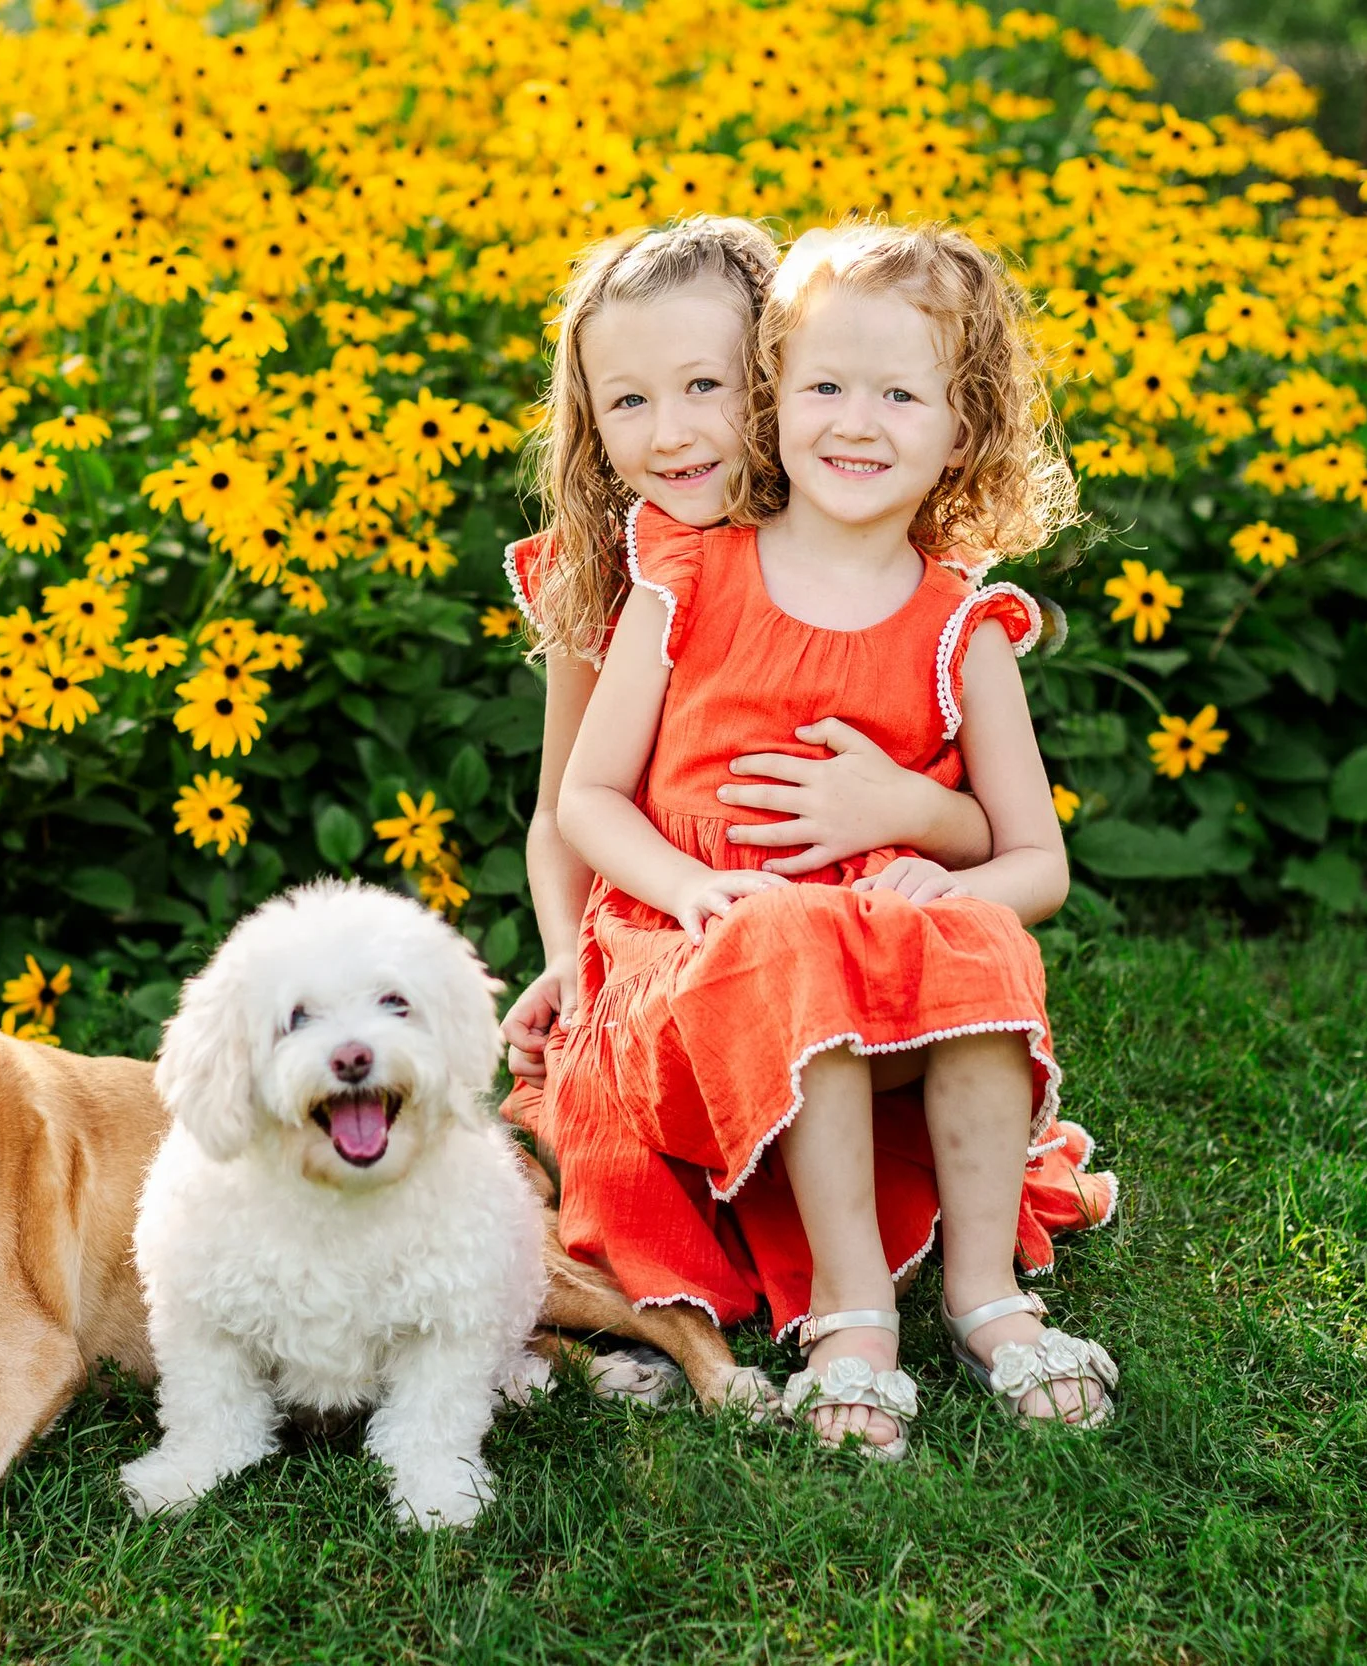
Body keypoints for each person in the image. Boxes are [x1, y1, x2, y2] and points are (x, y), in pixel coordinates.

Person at [547, 217, 1120, 1457]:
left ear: (960, 434)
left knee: (977, 943)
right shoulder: (683, 581)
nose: (855, 423)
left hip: (873, 941)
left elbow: (1036, 865)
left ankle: (987, 1300)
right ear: (777, 397)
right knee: (791, 937)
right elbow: (586, 800)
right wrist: (693, 887)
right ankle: (851, 1317)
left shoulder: (960, 625)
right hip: (702, 947)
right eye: (823, 388)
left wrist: (932, 849)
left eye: (899, 396)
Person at [500, 215, 1004, 1389]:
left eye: (705, 388)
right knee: (597, 1152)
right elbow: (566, 804)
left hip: (845, 941)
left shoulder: (877, 548)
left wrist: (900, 808)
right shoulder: (612, 575)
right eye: (625, 402)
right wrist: (568, 962)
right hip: (678, 924)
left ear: (774, 377)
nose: (668, 434)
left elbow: (987, 828)